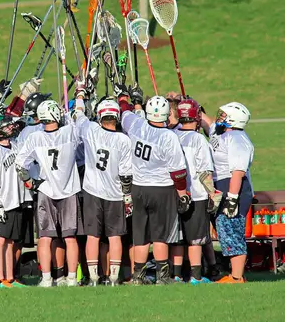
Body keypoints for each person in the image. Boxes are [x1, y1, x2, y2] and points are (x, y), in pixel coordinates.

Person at [116, 84, 189, 285]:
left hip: (138, 188)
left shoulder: (137, 125)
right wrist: (183, 194)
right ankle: (162, 277)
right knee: (159, 235)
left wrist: (124, 97)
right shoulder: (169, 137)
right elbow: (178, 173)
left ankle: (137, 277)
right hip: (161, 189)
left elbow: (124, 112)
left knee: (140, 236)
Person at [15, 99, 81, 287]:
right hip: (68, 190)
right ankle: (71, 278)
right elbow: (78, 118)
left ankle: (46, 278)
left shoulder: (35, 137)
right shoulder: (69, 132)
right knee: (70, 237)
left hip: (45, 190)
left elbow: (20, 164)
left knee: (44, 237)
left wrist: (30, 183)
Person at [73, 95, 133, 287]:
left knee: (93, 236)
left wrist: (80, 96)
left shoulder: (91, 129)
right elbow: (126, 174)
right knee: (115, 236)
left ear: (100, 116)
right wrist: (127, 196)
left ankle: (93, 278)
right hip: (115, 193)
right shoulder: (123, 140)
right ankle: (114, 278)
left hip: (92, 191)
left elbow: (79, 115)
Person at [202, 102, 254, 284]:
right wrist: (194, 107)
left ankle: (237, 277)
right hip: (222, 185)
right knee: (224, 230)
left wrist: (232, 199)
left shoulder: (238, 139)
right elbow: (209, 124)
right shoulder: (222, 132)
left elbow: (238, 173)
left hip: (233, 186)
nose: (220, 117)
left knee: (232, 230)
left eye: (224, 115)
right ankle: (234, 275)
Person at [171, 98, 218, 284]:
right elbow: (205, 172)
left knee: (178, 239)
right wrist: (212, 194)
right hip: (196, 194)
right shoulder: (198, 139)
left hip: (176, 194)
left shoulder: (172, 135)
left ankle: (176, 275)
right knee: (196, 239)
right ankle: (196, 276)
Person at [0, 114, 28, 288]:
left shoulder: (14, 145)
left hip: (15, 199)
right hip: (2, 200)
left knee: (10, 241)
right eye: (7, 126)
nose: (11, 127)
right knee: (0, 239)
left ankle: (10, 278)